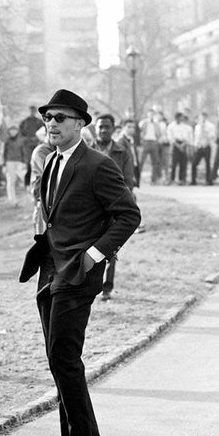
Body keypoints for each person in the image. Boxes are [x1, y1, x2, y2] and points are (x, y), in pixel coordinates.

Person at [19, 89, 141, 436]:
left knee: (63, 355)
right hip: (52, 267)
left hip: (79, 271)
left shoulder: (97, 165)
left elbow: (128, 215)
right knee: (59, 357)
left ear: (80, 124)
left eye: (59, 118)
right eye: (48, 118)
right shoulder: (52, 161)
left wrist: (93, 256)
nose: (51, 124)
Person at [91, 113, 135, 300]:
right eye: (100, 127)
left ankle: (107, 288)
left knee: (111, 249)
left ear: (113, 128)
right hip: (91, 209)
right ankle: (91, 287)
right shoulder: (86, 150)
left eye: (107, 127)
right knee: (90, 247)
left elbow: (128, 180)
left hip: (113, 208)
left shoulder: (121, 152)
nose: (103, 130)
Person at [19, 105, 43, 186]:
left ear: (35, 111)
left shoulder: (39, 122)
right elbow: (20, 134)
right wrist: (28, 139)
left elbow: (43, 133)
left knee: (38, 163)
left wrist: (36, 139)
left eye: (33, 111)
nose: (32, 112)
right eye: (31, 111)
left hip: (37, 145)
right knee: (29, 164)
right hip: (28, 146)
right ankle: (27, 184)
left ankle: (38, 183)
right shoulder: (24, 122)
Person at [167, 112, 193, 185]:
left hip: (183, 144)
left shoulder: (184, 126)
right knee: (174, 163)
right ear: (177, 118)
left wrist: (183, 145)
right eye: (180, 117)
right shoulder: (171, 126)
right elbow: (170, 137)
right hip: (175, 145)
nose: (182, 119)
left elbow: (186, 137)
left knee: (183, 162)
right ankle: (172, 179)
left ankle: (182, 179)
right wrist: (177, 145)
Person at [3, 124, 26, 206]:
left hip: (19, 161)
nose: (13, 132)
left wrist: (24, 162)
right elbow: (4, 153)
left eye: (14, 130)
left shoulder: (20, 140)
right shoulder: (7, 141)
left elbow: (23, 151)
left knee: (23, 178)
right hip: (10, 162)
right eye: (11, 131)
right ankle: (13, 200)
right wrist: (4, 164)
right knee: (11, 181)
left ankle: (33, 196)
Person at [190, 111, 215, 185]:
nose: (202, 119)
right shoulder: (197, 126)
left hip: (207, 146)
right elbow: (196, 137)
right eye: (201, 117)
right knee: (194, 163)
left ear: (206, 117)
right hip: (199, 147)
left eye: (203, 117)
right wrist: (195, 145)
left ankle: (209, 181)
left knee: (208, 164)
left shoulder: (210, 126)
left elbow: (212, 136)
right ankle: (193, 180)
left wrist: (205, 131)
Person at [138, 109, 161, 184]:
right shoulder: (143, 122)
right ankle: (137, 177)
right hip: (146, 142)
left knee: (155, 162)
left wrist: (157, 140)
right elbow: (139, 132)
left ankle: (153, 180)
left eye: (152, 114)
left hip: (154, 142)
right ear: (148, 114)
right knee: (141, 161)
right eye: (150, 114)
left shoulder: (156, 124)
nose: (151, 116)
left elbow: (158, 133)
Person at [118, 119, 140, 188]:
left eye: (133, 127)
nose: (131, 129)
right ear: (123, 127)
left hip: (133, 167)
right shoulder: (121, 141)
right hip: (126, 170)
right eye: (129, 127)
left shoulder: (132, 139)